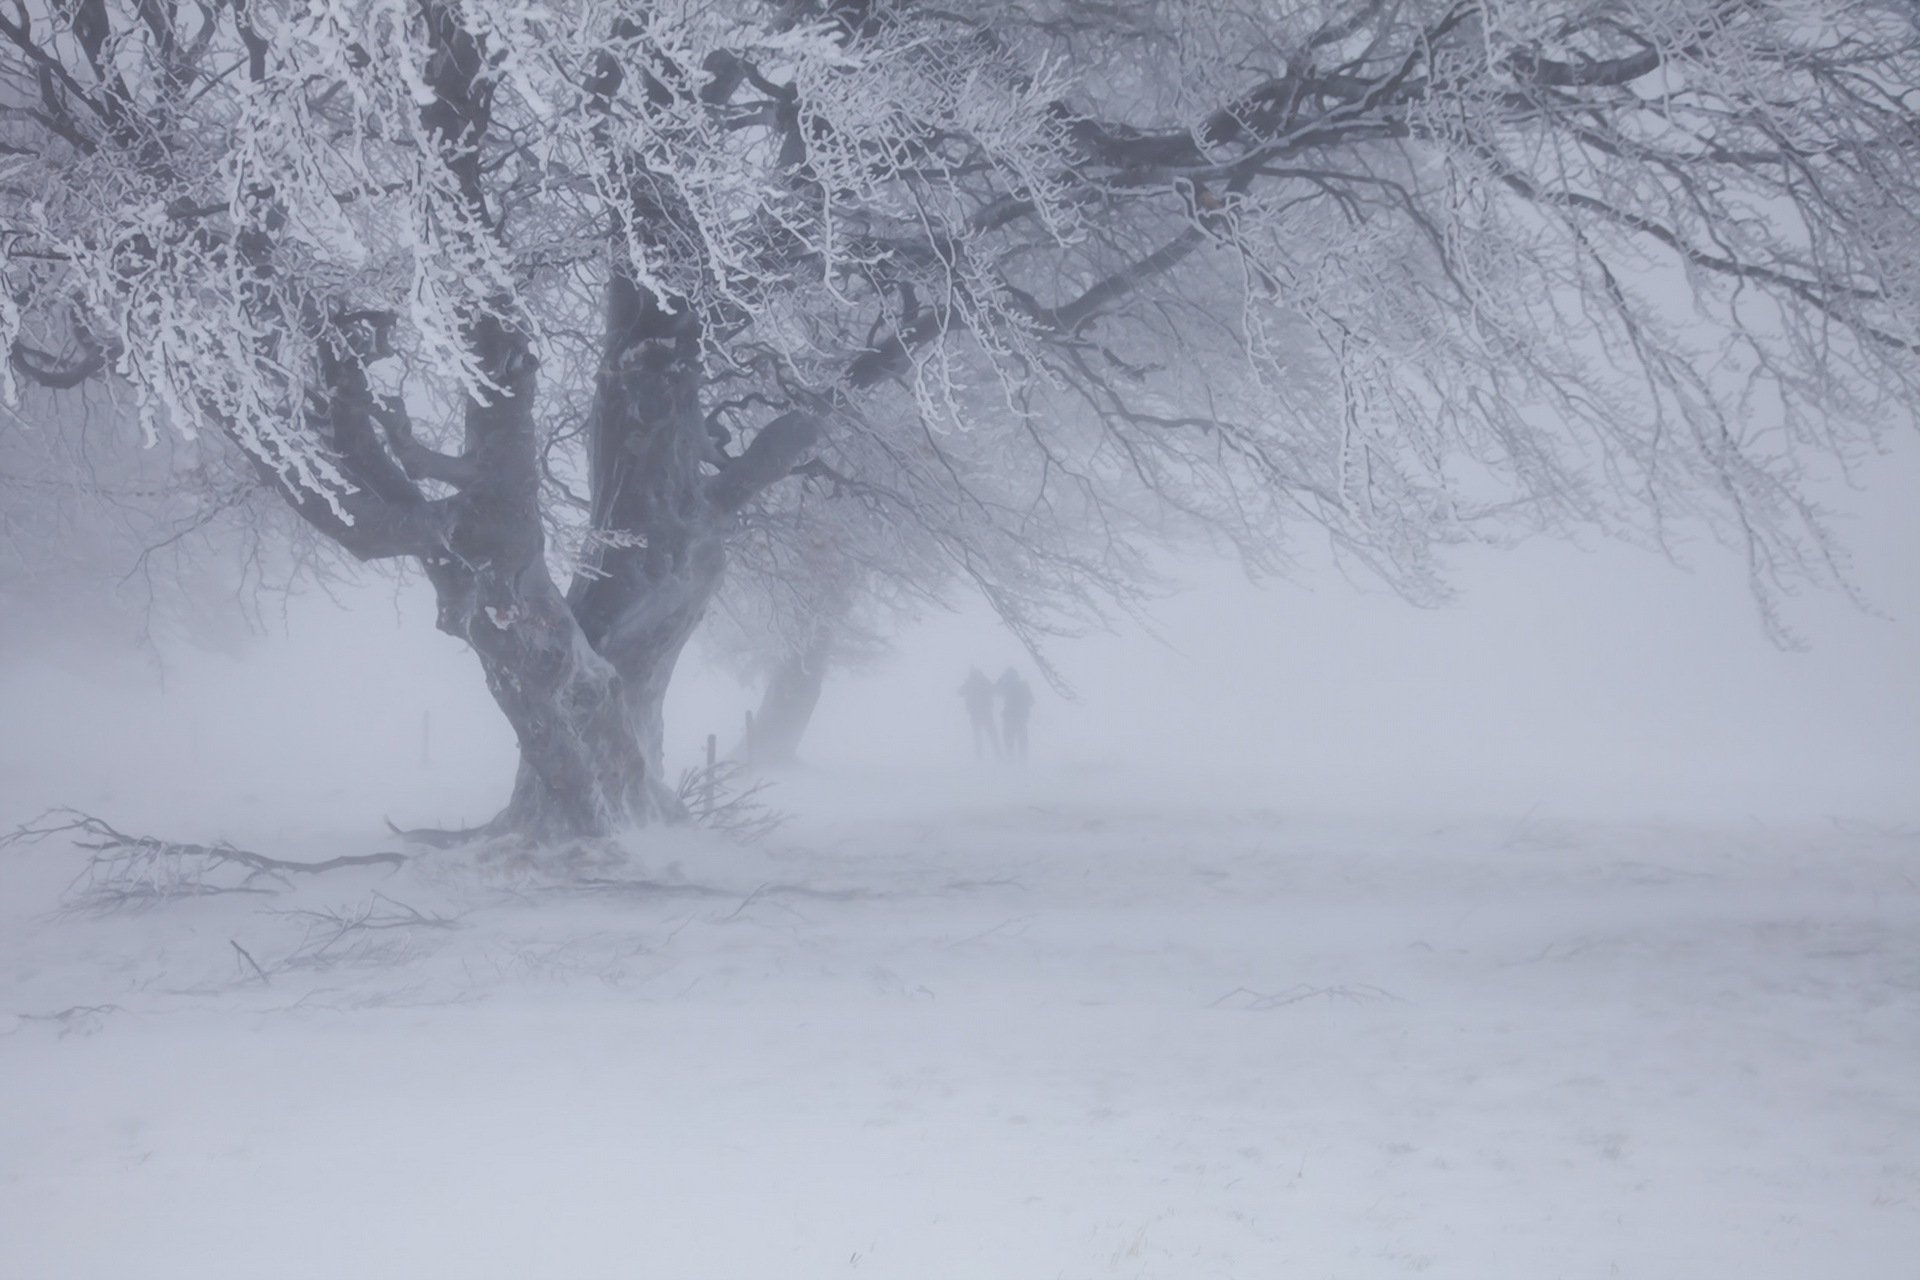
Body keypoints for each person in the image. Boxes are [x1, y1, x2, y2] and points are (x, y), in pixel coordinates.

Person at [960, 667, 1000, 760]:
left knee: (979, 736)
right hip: (984, 712)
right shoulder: (984, 681)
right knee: (991, 735)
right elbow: (993, 690)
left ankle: (981, 757)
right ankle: (997, 755)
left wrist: (970, 686)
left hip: (977, 713)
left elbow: (960, 691)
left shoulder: (973, 682)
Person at [996, 667, 1033, 762]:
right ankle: (1023, 761)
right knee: (1022, 739)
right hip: (1021, 716)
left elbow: (995, 690)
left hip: (1010, 716)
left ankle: (1012, 761)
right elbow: (1031, 700)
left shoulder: (1007, 686)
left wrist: (1001, 679)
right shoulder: (1024, 686)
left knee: (1009, 739)